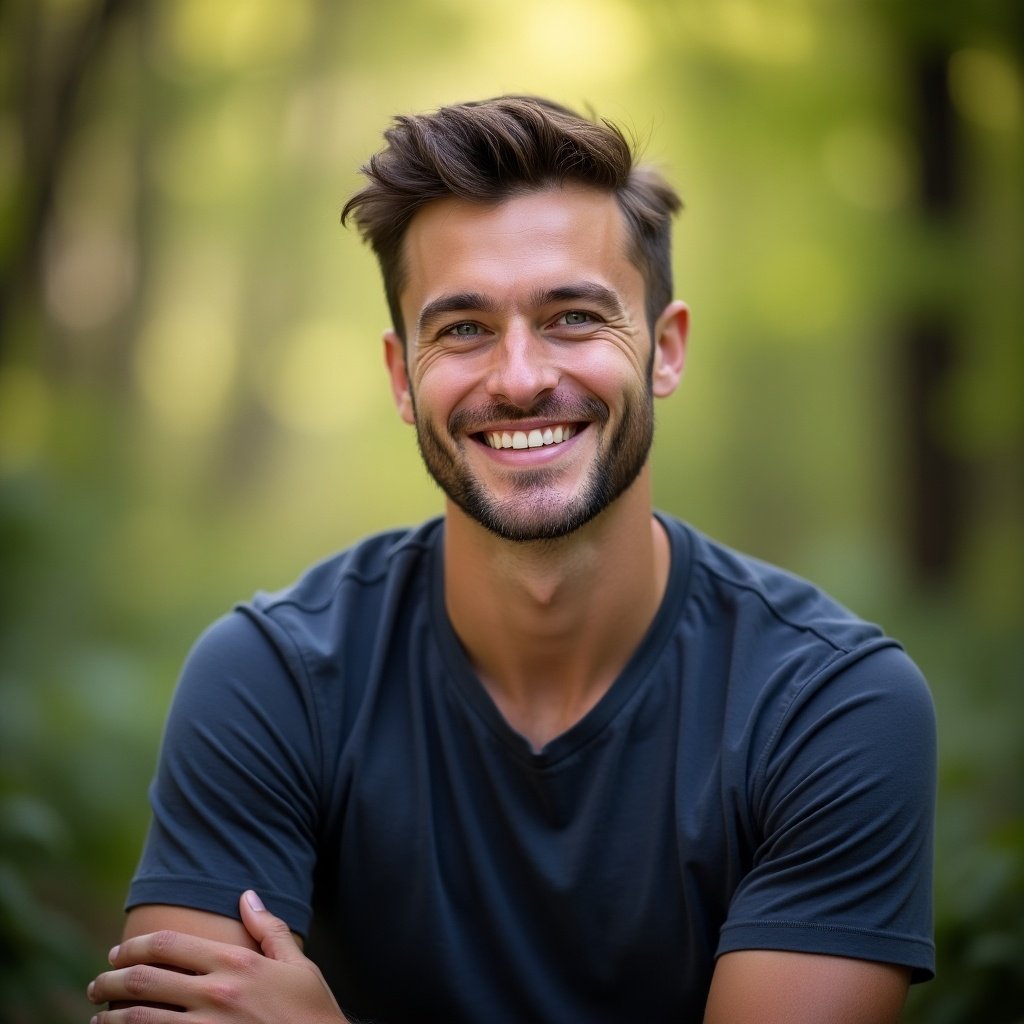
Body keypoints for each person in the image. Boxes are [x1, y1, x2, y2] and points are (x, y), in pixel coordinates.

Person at [87, 95, 936, 1023]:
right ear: (400, 376)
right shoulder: (272, 680)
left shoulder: (829, 706)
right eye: (463, 328)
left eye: (573, 316)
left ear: (665, 348)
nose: (522, 376)